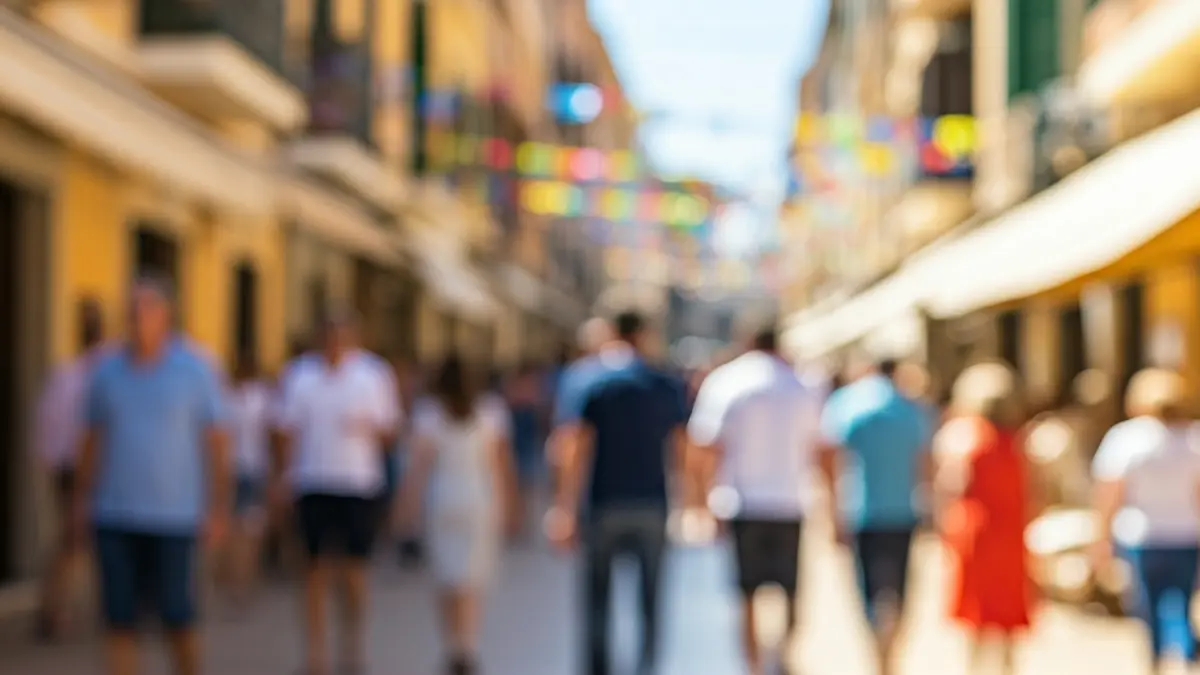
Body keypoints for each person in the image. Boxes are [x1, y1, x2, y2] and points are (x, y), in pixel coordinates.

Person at [73, 277, 230, 675]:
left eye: (147, 310)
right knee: (118, 620)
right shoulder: (106, 372)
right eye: (132, 311)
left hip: (174, 517)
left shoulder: (196, 370)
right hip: (115, 513)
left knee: (178, 617)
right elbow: (93, 441)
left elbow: (215, 444)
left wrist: (218, 507)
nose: (138, 319)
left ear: (167, 315)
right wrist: (80, 501)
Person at [547, 309, 688, 675]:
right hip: (653, 503)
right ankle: (647, 667)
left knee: (597, 599)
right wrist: (691, 501)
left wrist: (563, 508)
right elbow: (683, 446)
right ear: (644, 333)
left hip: (602, 503)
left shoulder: (586, 379)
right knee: (651, 600)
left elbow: (572, 447)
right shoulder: (664, 382)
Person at [687, 312, 824, 675]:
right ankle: (782, 655)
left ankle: (754, 667)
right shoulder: (804, 384)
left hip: (741, 503)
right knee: (791, 590)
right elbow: (821, 446)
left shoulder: (727, 382)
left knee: (746, 594)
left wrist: (700, 504)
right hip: (791, 500)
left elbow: (704, 446)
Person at [276, 310, 398, 675]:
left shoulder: (373, 375)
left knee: (354, 572)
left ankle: (352, 647)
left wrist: (366, 428)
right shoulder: (300, 375)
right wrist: (281, 478)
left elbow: (390, 432)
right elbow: (286, 430)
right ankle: (315, 654)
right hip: (312, 482)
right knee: (312, 571)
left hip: (357, 485)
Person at [398, 356, 519, 675]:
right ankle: (467, 644)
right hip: (479, 500)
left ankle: (452, 643)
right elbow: (500, 466)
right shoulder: (491, 412)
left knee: (447, 577)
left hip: (441, 500)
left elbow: (418, 469)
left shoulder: (429, 414)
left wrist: (407, 508)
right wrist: (508, 506)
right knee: (471, 578)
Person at [818, 357, 931, 675]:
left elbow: (827, 457)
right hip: (903, 512)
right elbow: (925, 461)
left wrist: (832, 512)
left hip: (862, 513)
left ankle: (878, 658)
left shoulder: (848, 403)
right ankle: (890, 655)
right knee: (899, 590)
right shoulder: (909, 408)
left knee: (868, 592)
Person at [1092, 368, 1200, 673]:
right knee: (1180, 603)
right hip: (1186, 535)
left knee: (1148, 606)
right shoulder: (1193, 438)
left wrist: (1100, 539)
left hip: (1143, 536)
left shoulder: (1127, 438)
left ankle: (1156, 663)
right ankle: (1184, 654)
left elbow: (1108, 494)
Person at [934, 361, 1034, 675]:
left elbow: (950, 487)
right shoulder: (1020, 443)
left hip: (976, 534)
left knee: (977, 617)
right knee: (1006, 618)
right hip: (1010, 534)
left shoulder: (965, 438)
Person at [33, 298, 107, 640]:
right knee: (74, 542)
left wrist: (49, 463)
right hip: (82, 469)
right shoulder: (101, 376)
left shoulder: (66, 373)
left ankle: (58, 609)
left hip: (67, 467)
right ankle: (56, 610)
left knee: (71, 541)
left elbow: (46, 424)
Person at [221, 350, 273, 605]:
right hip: (242, 469)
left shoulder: (252, 398)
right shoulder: (248, 398)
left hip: (247, 468)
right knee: (242, 527)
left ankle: (241, 578)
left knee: (245, 527)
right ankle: (239, 579)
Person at [505, 361, 546, 537]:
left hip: (527, 442)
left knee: (527, 483)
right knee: (517, 481)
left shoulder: (534, 387)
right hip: (517, 442)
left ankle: (523, 522)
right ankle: (516, 520)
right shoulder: (513, 388)